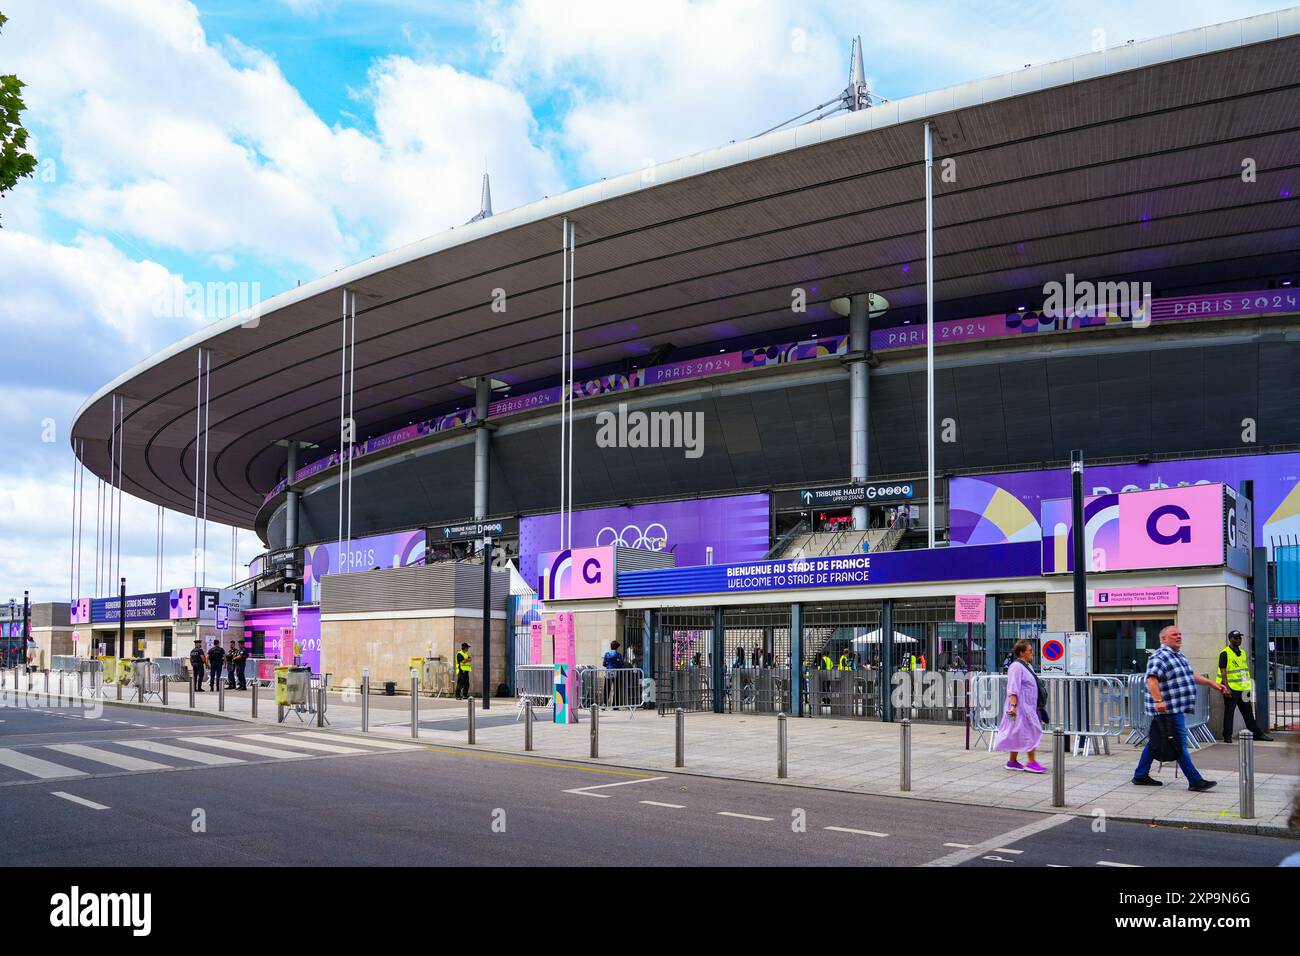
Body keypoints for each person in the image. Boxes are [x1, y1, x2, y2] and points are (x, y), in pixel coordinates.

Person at [1133, 625, 1230, 791]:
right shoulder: (1159, 656)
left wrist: (1212, 683)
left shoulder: (1179, 656)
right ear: (1163, 639)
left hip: (1176, 708)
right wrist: (1158, 701)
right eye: (1174, 635)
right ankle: (1195, 780)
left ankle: (1140, 775)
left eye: (1179, 634)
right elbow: (1151, 680)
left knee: (1155, 741)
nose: (1179, 637)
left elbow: (1190, 675)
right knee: (1179, 743)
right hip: (1168, 709)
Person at [993, 640, 1047, 772]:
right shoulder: (1016, 667)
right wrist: (1013, 706)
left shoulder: (1027, 666)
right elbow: (1013, 688)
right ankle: (1031, 762)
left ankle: (1012, 761)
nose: (1032, 653)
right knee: (1032, 731)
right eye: (1030, 650)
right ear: (1022, 653)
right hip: (1020, 708)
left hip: (1027, 706)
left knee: (1016, 732)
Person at [1218, 629, 1273, 743]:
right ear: (1230, 639)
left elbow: (1244, 670)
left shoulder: (1242, 652)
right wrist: (1226, 688)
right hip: (1231, 688)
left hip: (1243, 688)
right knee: (1229, 712)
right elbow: (1223, 672)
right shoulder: (1225, 653)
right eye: (1236, 638)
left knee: (1248, 712)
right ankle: (1227, 736)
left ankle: (1256, 733)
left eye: (1240, 638)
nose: (1239, 640)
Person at [602, 640, 625, 705]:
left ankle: (605, 703)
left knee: (606, 689)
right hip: (616, 674)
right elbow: (621, 664)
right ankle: (615, 705)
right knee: (616, 689)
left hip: (608, 673)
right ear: (617, 647)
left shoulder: (607, 654)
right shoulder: (619, 655)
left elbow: (604, 664)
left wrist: (609, 665)